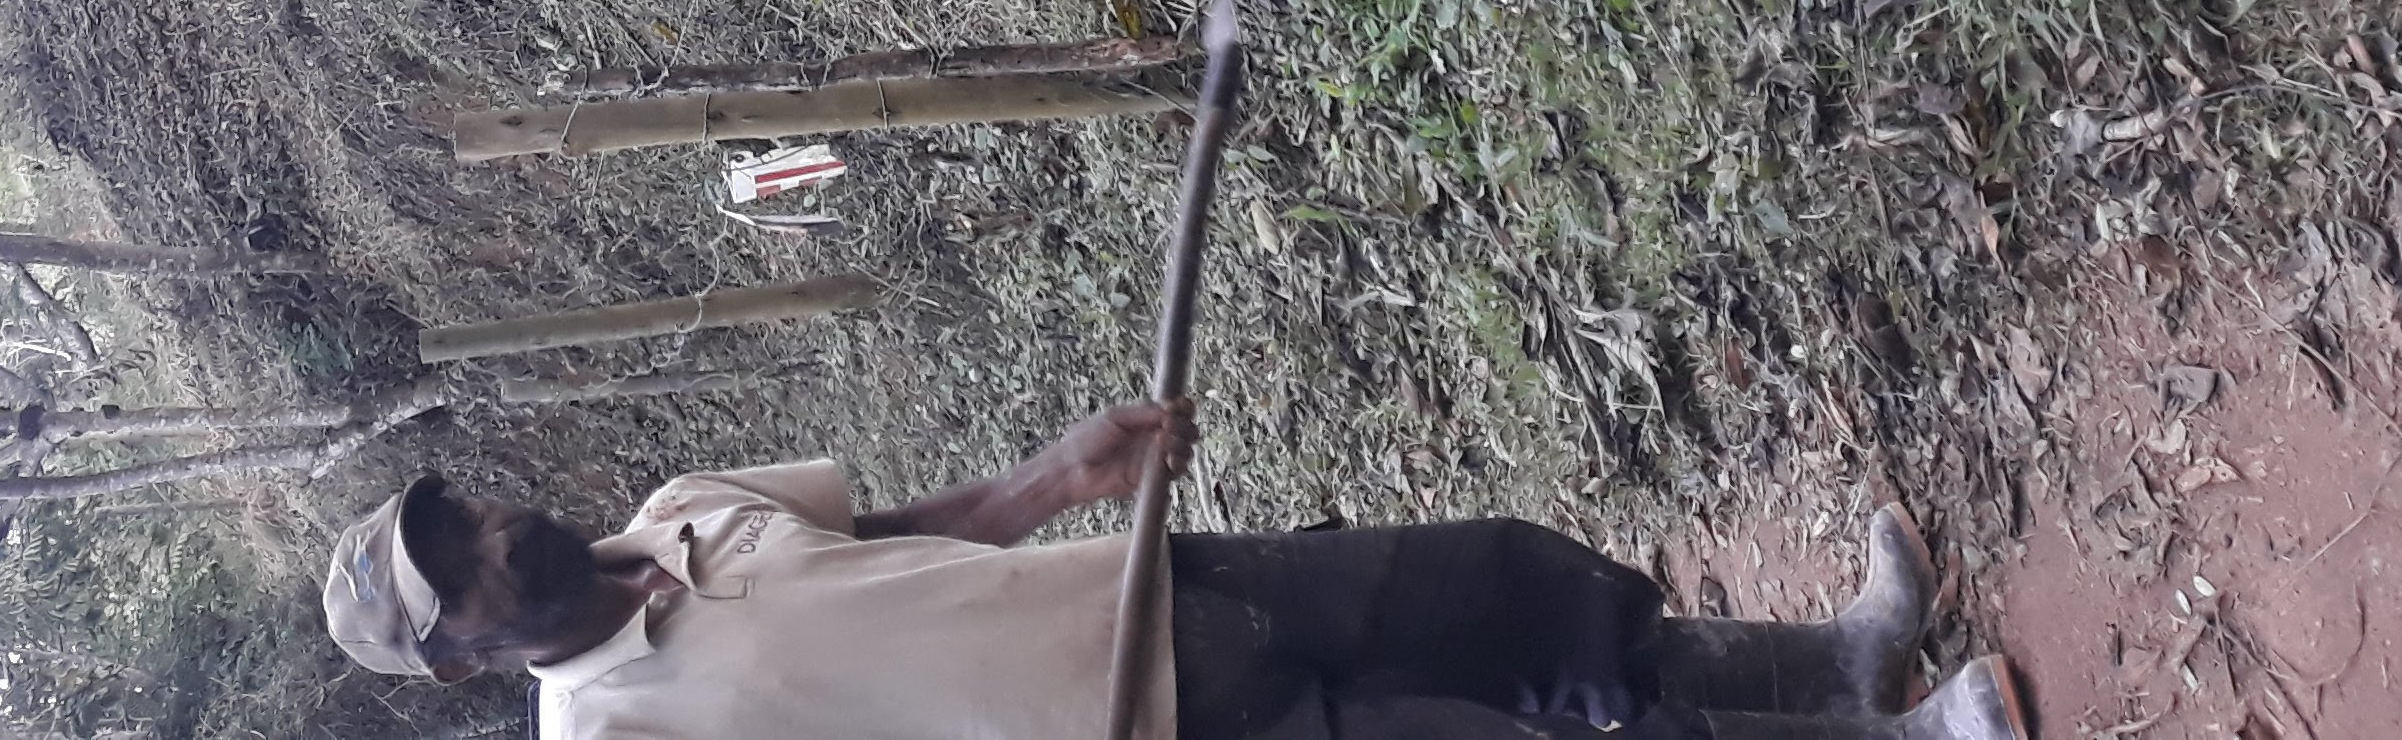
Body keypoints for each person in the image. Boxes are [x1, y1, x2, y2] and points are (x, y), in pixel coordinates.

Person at [318, 398, 2031, 740]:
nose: (490, 540)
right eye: (451, 576)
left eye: (454, 518)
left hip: (1160, 592)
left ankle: (1835, 675)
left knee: (1524, 597)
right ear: (465, 661)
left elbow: (898, 539)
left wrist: (1066, 473)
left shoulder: (683, 508)